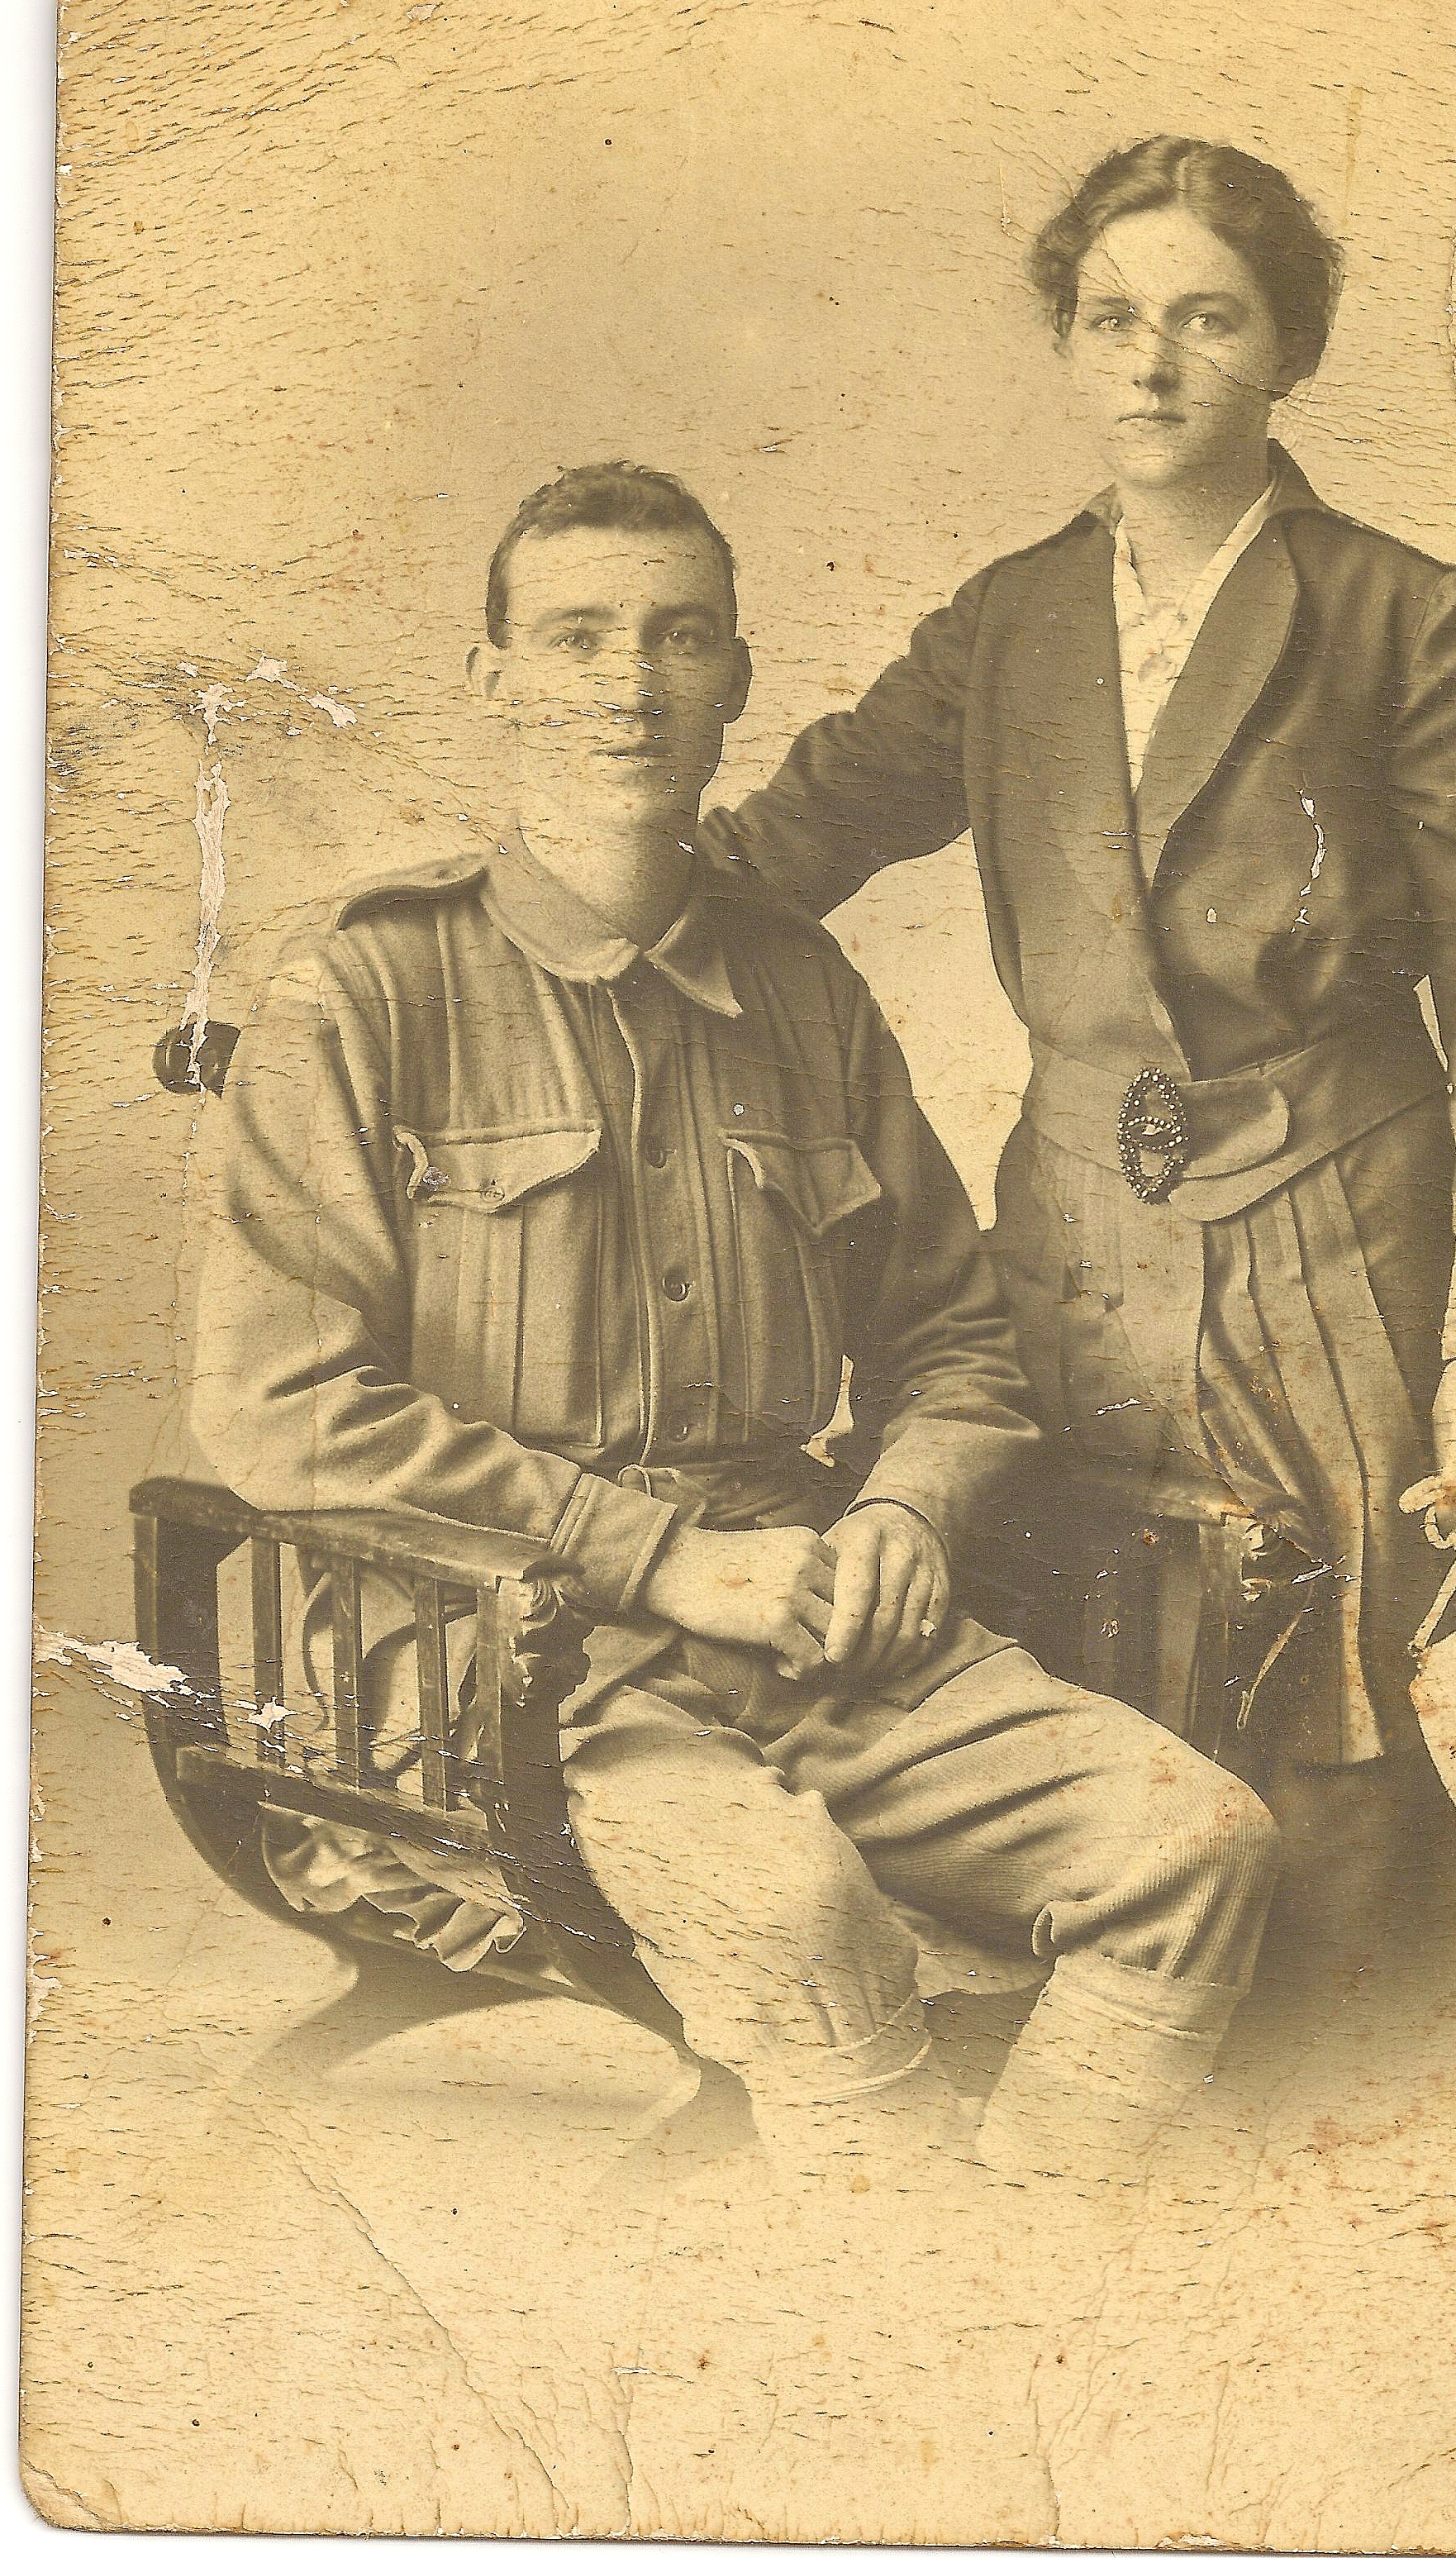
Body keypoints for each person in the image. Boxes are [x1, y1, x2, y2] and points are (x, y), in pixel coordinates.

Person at [192, 458, 1280, 2184]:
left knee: (1193, 1846)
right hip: (495, 1658)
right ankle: (893, 2268)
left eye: (679, 638)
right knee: (793, 1911)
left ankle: (1031, 2248)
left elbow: (954, 1338)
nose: (629, 686)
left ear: (739, 681)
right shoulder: (366, 990)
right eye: (577, 638)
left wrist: (910, 1507)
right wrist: (660, 1559)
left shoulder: (800, 987)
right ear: (495, 680)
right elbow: (284, 1404)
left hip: (810, 1625)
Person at [699, 137, 1456, 1966]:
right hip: (1075, 1244)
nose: (1153, 365)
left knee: (1350, 1698)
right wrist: (484, 930)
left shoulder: (1403, 615)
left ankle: (1365, 2095)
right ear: (1067, 343)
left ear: (1289, 351)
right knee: (1079, 1653)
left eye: (1208, 320)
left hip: (1341, 1245)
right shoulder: (1009, 620)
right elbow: (785, 846)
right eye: (1111, 320)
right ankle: (1135, 2063)